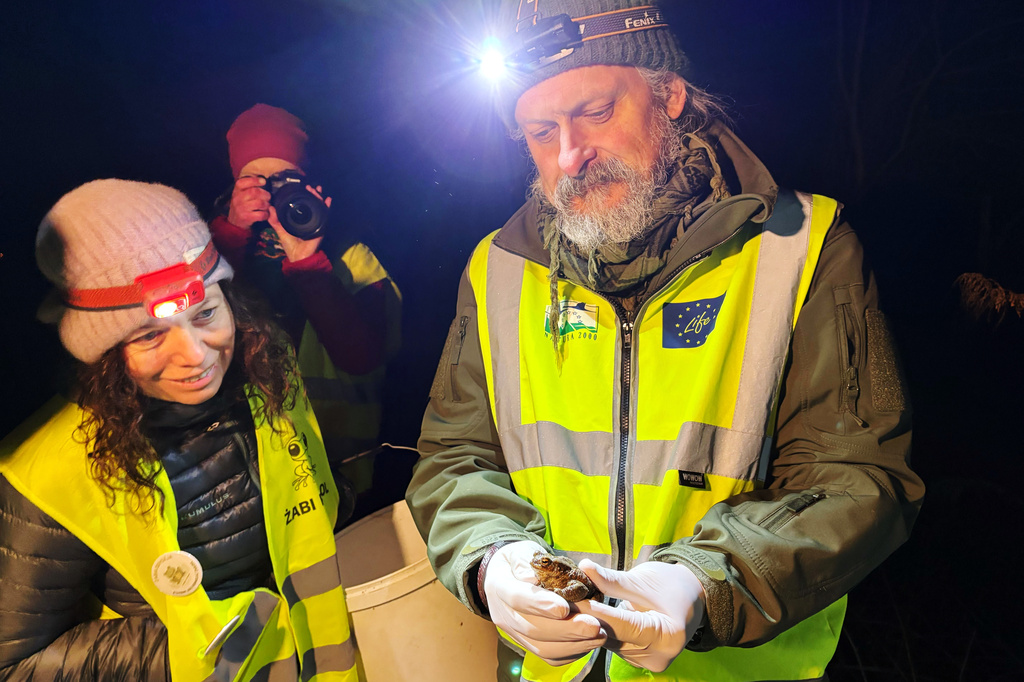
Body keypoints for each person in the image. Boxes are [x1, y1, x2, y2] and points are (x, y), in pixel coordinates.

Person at [405, 1, 925, 681]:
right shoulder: (497, 268)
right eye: (540, 130)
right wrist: (491, 561)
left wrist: (700, 585)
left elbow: (861, 477)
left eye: (595, 112)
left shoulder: (807, 247)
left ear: (669, 95)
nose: (571, 154)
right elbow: (452, 458)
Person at [0, 180, 360, 681]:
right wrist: (189, 649)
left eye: (207, 314)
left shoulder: (267, 369)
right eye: (150, 335)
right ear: (101, 354)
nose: (196, 355)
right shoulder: (46, 471)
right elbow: (14, 663)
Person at [210, 104, 402, 518]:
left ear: (312, 186)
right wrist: (230, 232)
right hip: (236, 480)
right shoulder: (211, 255)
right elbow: (194, 329)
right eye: (255, 181)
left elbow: (362, 358)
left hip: (341, 476)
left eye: (284, 181)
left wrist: (307, 261)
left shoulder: (353, 259)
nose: (271, 194)